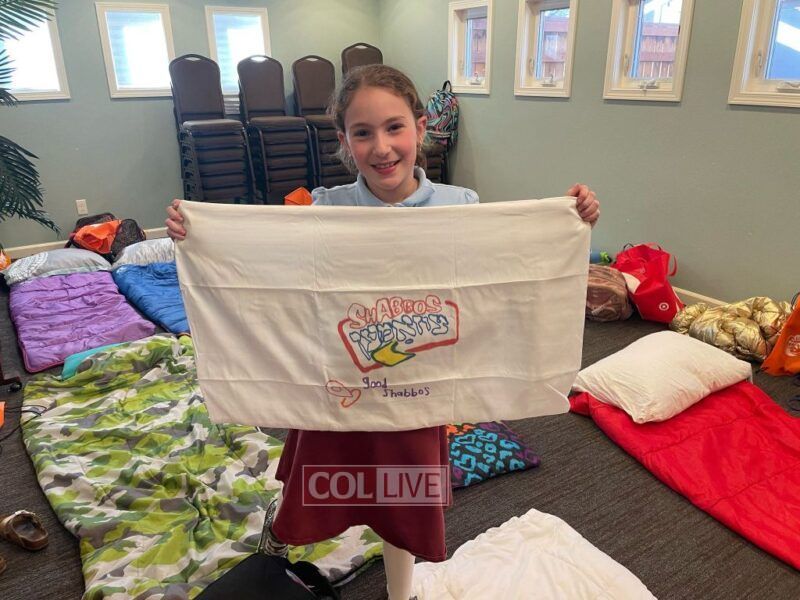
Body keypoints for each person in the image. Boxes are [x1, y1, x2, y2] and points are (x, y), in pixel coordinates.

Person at [166, 64, 599, 600]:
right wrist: (199, 233)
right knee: (312, 492)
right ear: (344, 141)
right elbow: (264, 266)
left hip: (419, 393)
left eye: (395, 127)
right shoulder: (326, 208)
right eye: (363, 133)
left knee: (402, 503)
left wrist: (571, 217)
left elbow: (506, 274)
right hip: (337, 390)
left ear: (421, 127)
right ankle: (275, 543)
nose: (382, 147)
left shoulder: (459, 206)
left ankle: (401, 593)